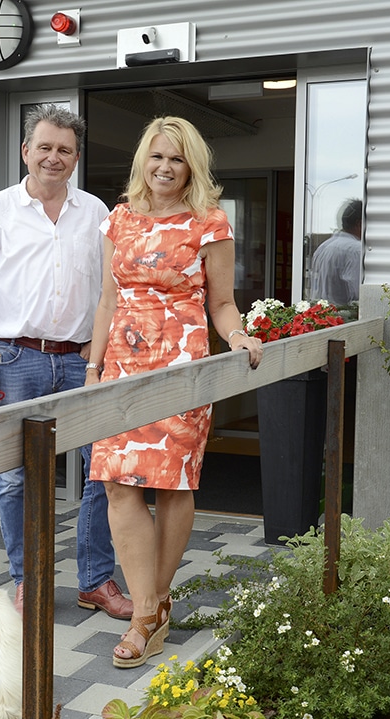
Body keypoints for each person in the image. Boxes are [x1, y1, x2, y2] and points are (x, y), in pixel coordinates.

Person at [85, 116, 263, 668]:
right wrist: (92, 367)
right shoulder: (119, 220)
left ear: (192, 167)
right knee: (117, 485)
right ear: (143, 160)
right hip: (122, 369)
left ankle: (148, 611)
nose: (165, 167)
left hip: (182, 368)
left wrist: (237, 336)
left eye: (177, 159)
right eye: (157, 156)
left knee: (172, 485)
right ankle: (150, 607)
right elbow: (108, 302)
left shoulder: (209, 222)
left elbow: (222, 304)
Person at [0, 105, 133, 621]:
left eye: (64, 150)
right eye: (45, 147)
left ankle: (95, 581)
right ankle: (26, 580)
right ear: (25, 152)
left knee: (99, 474)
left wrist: (96, 347)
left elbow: (112, 288)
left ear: (75, 158)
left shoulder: (97, 213)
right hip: (14, 359)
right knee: (14, 481)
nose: (53, 158)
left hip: (80, 364)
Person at [308, 197, 365, 305]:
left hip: (321, 315)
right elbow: (358, 296)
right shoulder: (356, 250)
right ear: (359, 224)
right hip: (344, 319)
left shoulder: (323, 247)